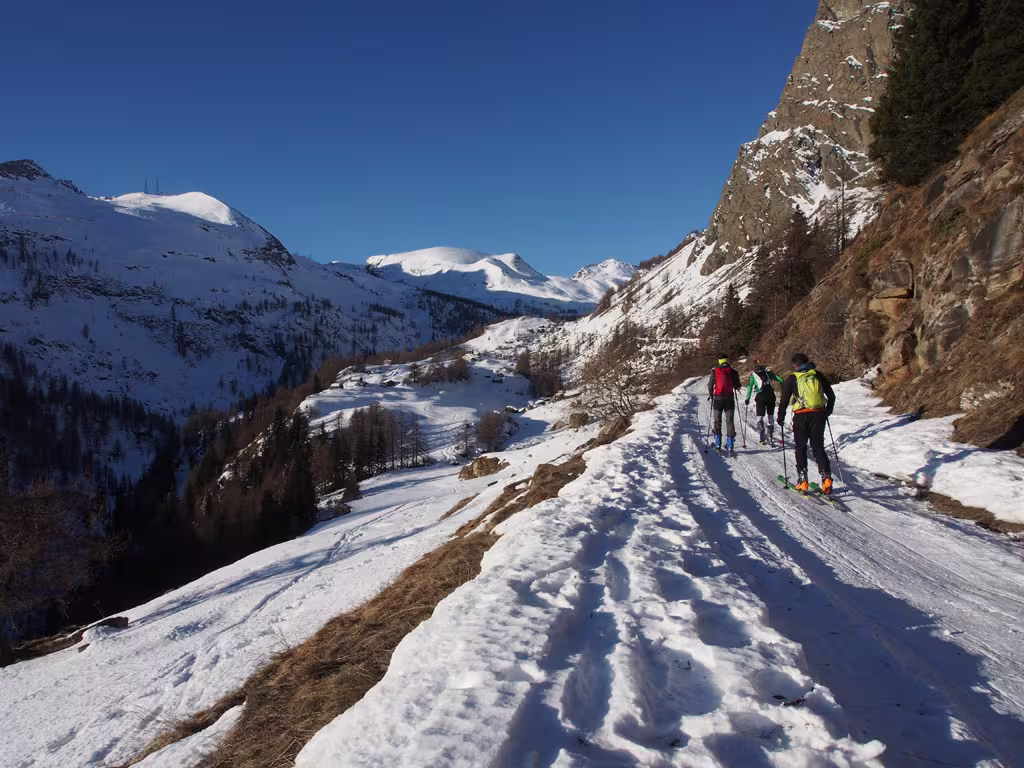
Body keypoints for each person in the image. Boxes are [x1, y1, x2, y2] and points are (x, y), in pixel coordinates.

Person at [777, 352, 836, 494]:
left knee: (801, 447)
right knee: (818, 447)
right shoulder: (817, 375)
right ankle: (826, 479)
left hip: (801, 416)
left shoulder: (792, 378)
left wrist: (780, 417)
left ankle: (803, 481)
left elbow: (784, 400)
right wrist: (827, 411)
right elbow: (831, 396)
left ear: (796, 365)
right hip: (818, 415)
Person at [707, 355, 741, 453]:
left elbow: (710, 385)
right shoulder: (733, 372)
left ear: (719, 361)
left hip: (718, 400)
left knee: (717, 421)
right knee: (729, 421)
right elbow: (738, 385)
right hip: (729, 400)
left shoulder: (715, 372)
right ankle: (730, 445)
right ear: (727, 361)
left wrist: (711, 394)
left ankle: (718, 444)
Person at [745, 364, 784, 445]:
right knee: (770, 415)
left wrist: (747, 399)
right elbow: (781, 379)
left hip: (760, 396)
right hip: (770, 396)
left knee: (760, 416)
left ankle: (762, 432)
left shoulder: (753, 376)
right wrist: (783, 391)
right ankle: (770, 437)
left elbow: (749, 387)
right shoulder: (768, 374)